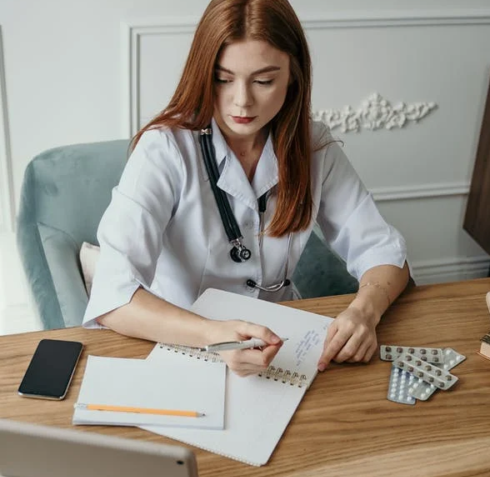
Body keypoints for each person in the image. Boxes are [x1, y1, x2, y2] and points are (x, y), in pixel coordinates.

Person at [83, 0, 410, 376]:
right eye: (223, 78)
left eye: (263, 81)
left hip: (283, 345)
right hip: (183, 343)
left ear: (293, 77)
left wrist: (363, 312)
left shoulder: (313, 144)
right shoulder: (165, 149)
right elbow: (113, 295)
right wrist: (214, 336)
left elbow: (383, 249)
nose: (241, 100)